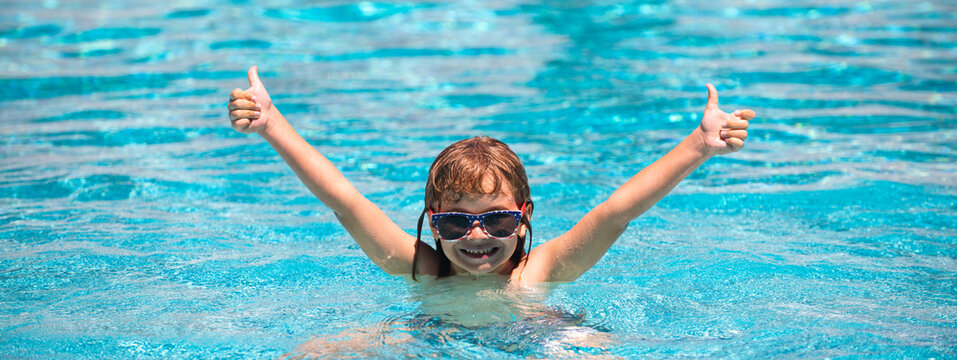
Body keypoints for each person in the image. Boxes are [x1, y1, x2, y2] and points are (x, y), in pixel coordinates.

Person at [227, 66, 754, 285]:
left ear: (523, 217)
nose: (477, 236)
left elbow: (618, 212)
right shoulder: (423, 268)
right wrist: (272, 126)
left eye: (498, 221)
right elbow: (346, 202)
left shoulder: (539, 272)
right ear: (434, 223)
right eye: (457, 223)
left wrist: (698, 146)